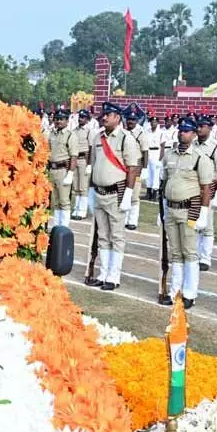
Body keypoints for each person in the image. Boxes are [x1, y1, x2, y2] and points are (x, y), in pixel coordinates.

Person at [159, 119, 215, 308]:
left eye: (187, 131)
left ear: (193, 135)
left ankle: (190, 293)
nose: (182, 133)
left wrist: (203, 213)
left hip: (190, 209)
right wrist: (163, 210)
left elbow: (206, 188)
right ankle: (175, 291)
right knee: (175, 252)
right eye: (181, 130)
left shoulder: (200, 158)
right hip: (171, 208)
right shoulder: (169, 154)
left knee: (190, 252)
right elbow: (164, 183)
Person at [88, 102, 141, 291]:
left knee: (117, 235)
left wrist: (128, 194)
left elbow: (132, 168)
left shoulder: (126, 139)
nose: (104, 117)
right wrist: (91, 188)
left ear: (117, 117)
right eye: (104, 114)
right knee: (102, 235)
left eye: (108, 114)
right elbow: (94, 164)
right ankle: (103, 273)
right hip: (99, 192)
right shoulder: (98, 137)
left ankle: (114, 275)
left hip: (116, 193)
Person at [193, 115, 217, 271]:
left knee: (207, 225)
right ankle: (193, 254)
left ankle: (205, 258)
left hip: (209, 189)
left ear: (210, 128)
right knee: (193, 222)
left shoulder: (216, 147)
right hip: (193, 188)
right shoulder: (192, 143)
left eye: (202, 126)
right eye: (198, 126)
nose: (199, 129)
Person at [47, 107, 78, 227]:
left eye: (61, 119)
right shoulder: (52, 134)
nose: (58, 121)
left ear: (67, 121)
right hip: (52, 169)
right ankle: (57, 225)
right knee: (56, 201)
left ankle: (64, 227)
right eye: (57, 119)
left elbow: (74, 156)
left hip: (63, 170)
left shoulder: (70, 135)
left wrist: (70, 173)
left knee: (64, 201)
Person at [71, 109, 93, 220]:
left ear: (87, 119)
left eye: (83, 117)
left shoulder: (89, 131)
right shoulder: (74, 130)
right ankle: (76, 208)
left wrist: (89, 164)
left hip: (84, 159)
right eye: (80, 117)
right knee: (76, 185)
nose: (81, 119)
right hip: (75, 159)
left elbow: (91, 148)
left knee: (83, 186)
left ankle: (82, 210)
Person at [141, 115, 164, 203]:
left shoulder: (161, 132)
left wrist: (160, 158)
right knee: (148, 173)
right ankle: (148, 193)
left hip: (156, 152)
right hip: (148, 152)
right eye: (152, 122)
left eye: (155, 122)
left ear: (157, 123)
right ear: (150, 123)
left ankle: (154, 193)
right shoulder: (147, 131)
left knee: (156, 174)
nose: (153, 123)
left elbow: (162, 146)